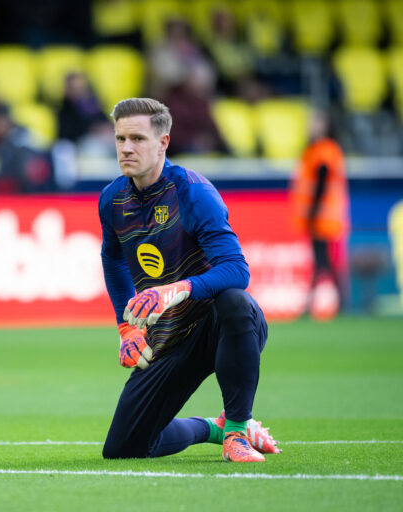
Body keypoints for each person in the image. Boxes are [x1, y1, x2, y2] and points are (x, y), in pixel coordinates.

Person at [98, 98, 280, 462]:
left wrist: (178, 289)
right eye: (120, 139)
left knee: (235, 302)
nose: (126, 148)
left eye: (137, 138)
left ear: (163, 142)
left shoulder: (193, 193)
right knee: (124, 449)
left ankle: (237, 431)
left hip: (216, 326)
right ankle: (214, 428)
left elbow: (237, 271)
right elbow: (112, 258)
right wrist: (126, 327)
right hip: (169, 336)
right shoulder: (112, 200)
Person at [290, 109, 349, 316]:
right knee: (323, 260)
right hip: (322, 216)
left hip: (322, 217)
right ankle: (333, 301)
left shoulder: (323, 150)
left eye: (316, 122)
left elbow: (321, 182)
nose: (312, 126)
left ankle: (331, 301)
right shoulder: (321, 150)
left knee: (323, 260)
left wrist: (313, 211)